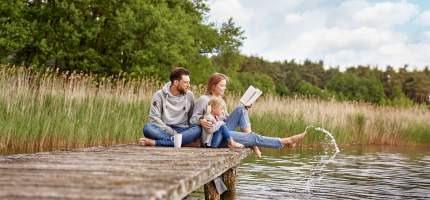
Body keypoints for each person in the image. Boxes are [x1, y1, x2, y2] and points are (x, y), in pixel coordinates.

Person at [190, 73, 306, 157]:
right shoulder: (204, 100)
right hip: (215, 136)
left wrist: (245, 109)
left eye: (225, 85)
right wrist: (201, 120)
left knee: (241, 109)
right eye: (222, 85)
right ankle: (285, 141)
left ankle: (253, 142)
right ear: (213, 86)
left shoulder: (221, 100)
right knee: (254, 137)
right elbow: (193, 119)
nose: (224, 88)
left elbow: (224, 117)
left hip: (224, 129)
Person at [139, 67, 201, 147]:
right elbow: (154, 118)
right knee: (148, 128)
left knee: (197, 129)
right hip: (165, 129)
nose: (188, 85)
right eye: (185, 82)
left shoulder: (189, 95)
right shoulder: (159, 95)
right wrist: (174, 133)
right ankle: (183, 143)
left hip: (183, 130)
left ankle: (156, 143)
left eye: (189, 82)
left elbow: (191, 117)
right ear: (176, 82)